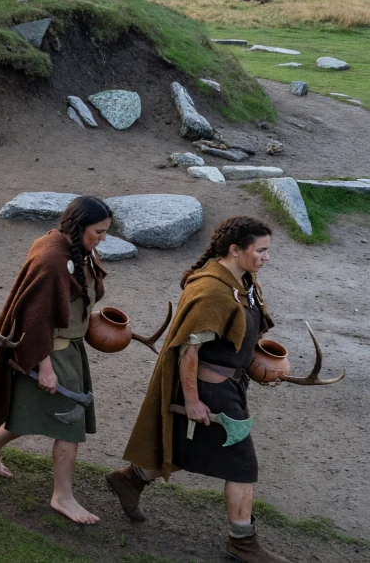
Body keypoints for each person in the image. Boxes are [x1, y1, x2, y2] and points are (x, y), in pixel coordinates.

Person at [107, 217, 287, 563]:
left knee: (184, 447)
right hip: (211, 393)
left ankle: (131, 479)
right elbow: (188, 354)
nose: (266, 258)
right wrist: (191, 401)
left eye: (267, 251)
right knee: (242, 468)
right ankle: (242, 544)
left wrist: (256, 362)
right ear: (235, 250)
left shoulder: (244, 282)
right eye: (261, 251)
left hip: (230, 387)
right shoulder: (211, 292)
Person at [0, 196, 114, 525]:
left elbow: (74, 299)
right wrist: (44, 368)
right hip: (53, 354)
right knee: (70, 423)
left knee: (32, 411)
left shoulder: (78, 249)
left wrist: (93, 319)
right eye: (98, 232)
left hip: (70, 351)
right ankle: (62, 497)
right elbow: (35, 320)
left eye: (105, 232)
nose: (102, 238)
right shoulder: (51, 257)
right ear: (79, 227)